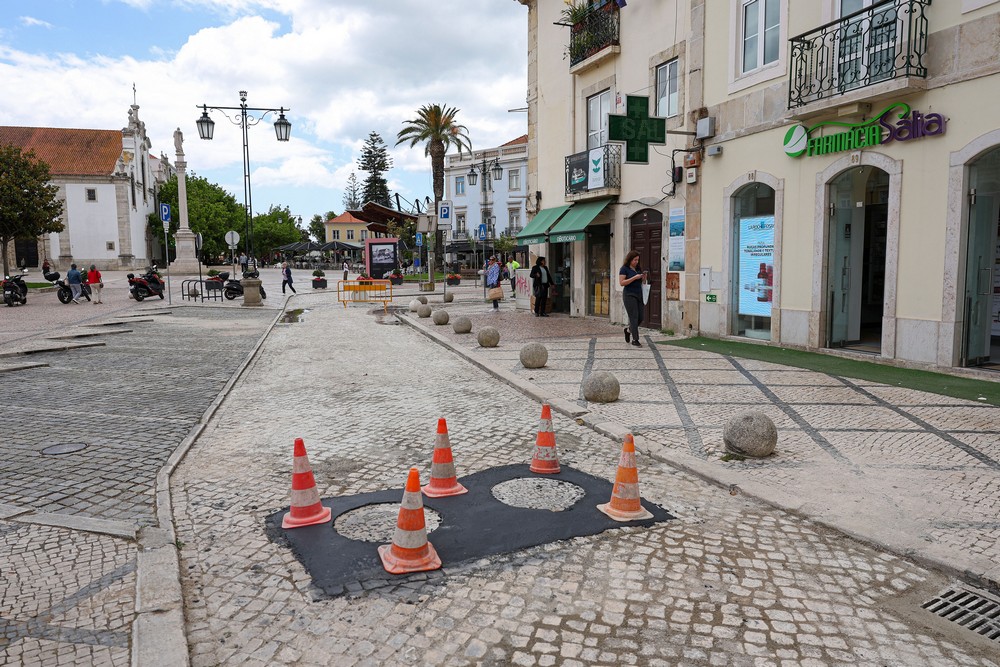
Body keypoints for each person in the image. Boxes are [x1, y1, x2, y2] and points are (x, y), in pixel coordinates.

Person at [619, 250, 645, 347]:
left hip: (639, 294)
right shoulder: (624, 269)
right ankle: (635, 339)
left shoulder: (638, 268)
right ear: (630, 259)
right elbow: (622, 283)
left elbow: (640, 281)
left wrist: (643, 277)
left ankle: (628, 330)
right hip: (629, 295)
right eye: (635, 260)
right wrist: (634, 277)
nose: (636, 262)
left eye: (637, 260)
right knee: (634, 317)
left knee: (641, 317)